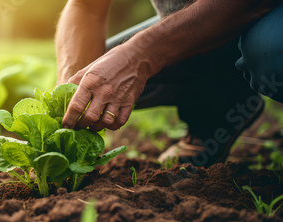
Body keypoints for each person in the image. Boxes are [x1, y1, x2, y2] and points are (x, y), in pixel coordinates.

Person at [56, 0, 283, 167]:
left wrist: (140, 56)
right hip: (197, 24)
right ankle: (219, 107)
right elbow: (85, 7)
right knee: (99, 73)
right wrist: (69, 95)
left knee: (272, 53)